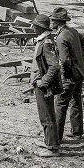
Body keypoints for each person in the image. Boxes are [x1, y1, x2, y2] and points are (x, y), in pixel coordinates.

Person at [50, 6, 84, 143]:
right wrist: (79, 57)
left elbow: (64, 60)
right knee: (76, 102)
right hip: (79, 73)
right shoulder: (72, 31)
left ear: (57, 22)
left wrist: (64, 76)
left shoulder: (61, 37)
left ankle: (57, 138)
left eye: (52, 20)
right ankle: (77, 133)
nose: (51, 22)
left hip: (69, 76)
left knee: (60, 105)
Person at [28, 14, 62, 158]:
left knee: (47, 116)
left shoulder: (46, 43)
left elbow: (54, 66)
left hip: (44, 85)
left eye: (35, 25)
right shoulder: (43, 40)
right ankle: (48, 141)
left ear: (40, 28)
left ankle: (53, 148)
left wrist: (44, 82)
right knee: (46, 115)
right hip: (40, 83)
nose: (33, 27)